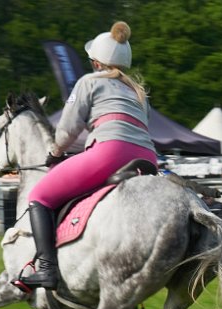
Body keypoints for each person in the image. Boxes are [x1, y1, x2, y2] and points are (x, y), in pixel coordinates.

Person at [17, 21, 157, 290]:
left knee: (39, 197)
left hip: (111, 152)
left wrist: (55, 152)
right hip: (147, 158)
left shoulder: (88, 82)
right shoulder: (138, 92)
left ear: (95, 62)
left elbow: (68, 129)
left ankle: (47, 269)